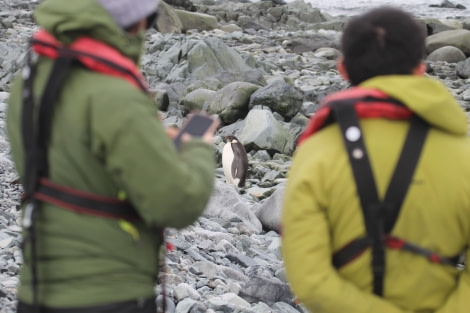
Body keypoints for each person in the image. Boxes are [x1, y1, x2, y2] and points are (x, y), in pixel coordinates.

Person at [6, 0, 219, 312]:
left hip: (36, 291)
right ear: (131, 23)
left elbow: (77, 163)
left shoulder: (29, 78)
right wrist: (198, 148)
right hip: (109, 295)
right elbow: (177, 203)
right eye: (148, 20)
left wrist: (149, 142)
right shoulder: (115, 94)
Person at [281, 6, 470, 313]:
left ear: (343, 70)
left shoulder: (317, 152)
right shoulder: (463, 155)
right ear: (420, 68)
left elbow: (310, 280)